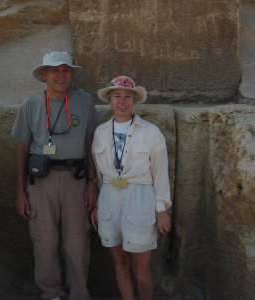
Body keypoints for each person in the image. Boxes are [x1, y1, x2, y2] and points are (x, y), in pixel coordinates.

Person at [11, 51, 100, 300]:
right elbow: (21, 149)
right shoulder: (31, 104)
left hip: (76, 179)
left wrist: (93, 183)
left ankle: (79, 294)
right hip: (41, 182)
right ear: (43, 74)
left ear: (71, 74)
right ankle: (51, 294)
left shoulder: (83, 101)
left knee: (77, 242)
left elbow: (91, 142)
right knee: (44, 240)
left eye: (65, 70)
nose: (61, 75)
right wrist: (20, 192)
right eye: (54, 70)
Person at [91, 76, 172, 300]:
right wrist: (97, 205)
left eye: (127, 96)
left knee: (142, 270)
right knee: (119, 263)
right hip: (109, 197)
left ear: (134, 101)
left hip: (140, 198)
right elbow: (98, 175)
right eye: (117, 96)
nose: (122, 101)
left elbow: (160, 172)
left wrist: (161, 208)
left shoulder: (151, 132)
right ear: (110, 100)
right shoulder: (100, 133)